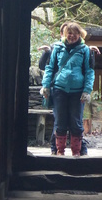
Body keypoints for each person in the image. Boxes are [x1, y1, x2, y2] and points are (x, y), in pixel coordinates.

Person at [40, 22, 95, 157]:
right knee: (60, 122)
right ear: (65, 34)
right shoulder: (57, 48)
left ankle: (76, 152)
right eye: (69, 33)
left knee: (76, 122)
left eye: (75, 33)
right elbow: (49, 68)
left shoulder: (85, 50)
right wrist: (46, 86)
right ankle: (60, 151)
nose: (72, 36)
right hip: (60, 90)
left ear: (80, 35)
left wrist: (87, 90)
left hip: (77, 92)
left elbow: (89, 71)